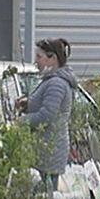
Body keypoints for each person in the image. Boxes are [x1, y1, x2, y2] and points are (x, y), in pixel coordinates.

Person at [21, 37, 79, 181]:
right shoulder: (52, 81)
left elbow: (47, 115)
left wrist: (21, 121)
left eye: (39, 57)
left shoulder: (56, 84)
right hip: (46, 150)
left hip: (48, 153)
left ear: (52, 58)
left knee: (45, 198)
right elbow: (48, 105)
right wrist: (27, 104)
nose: (36, 61)